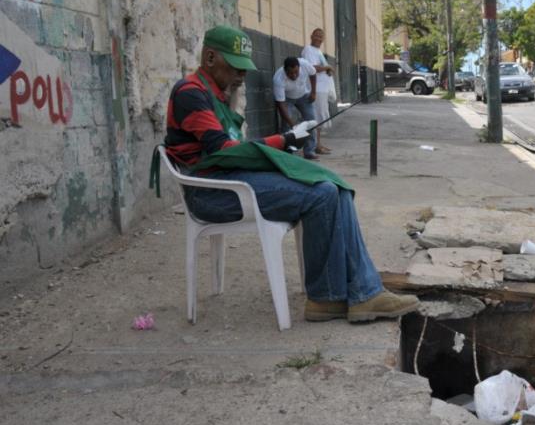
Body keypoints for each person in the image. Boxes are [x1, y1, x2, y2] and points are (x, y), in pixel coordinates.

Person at [162, 25, 419, 322]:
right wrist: (283, 140)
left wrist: (285, 141)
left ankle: (355, 292)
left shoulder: (216, 94)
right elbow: (224, 150)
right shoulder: (190, 94)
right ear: (209, 58)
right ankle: (333, 296)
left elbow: (233, 150)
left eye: (245, 70)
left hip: (229, 179)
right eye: (235, 68)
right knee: (322, 193)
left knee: (335, 188)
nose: (242, 76)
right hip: (211, 192)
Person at [274, 56, 319, 160]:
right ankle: (288, 152)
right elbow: (281, 104)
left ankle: (309, 151)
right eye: (290, 73)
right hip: (287, 99)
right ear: (285, 70)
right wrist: (292, 124)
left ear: (299, 68)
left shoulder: (304, 64)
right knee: (286, 126)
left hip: (303, 95)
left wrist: (313, 92)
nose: (294, 76)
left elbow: (313, 74)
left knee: (311, 121)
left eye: (296, 72)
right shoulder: (278, 79)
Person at [301, 28, 335, 155]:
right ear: (311, 36)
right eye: (316, 36)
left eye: (321, 37)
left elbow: (322, 68)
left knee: (320, 116)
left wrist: (328, 70)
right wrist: (327, 67)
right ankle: (315, 145)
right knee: (316, 116)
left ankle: (318, 144)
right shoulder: (308, 50)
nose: (319, 39)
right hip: (315, 88)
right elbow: (312, 68)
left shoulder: (318, 51)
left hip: (322, 89)